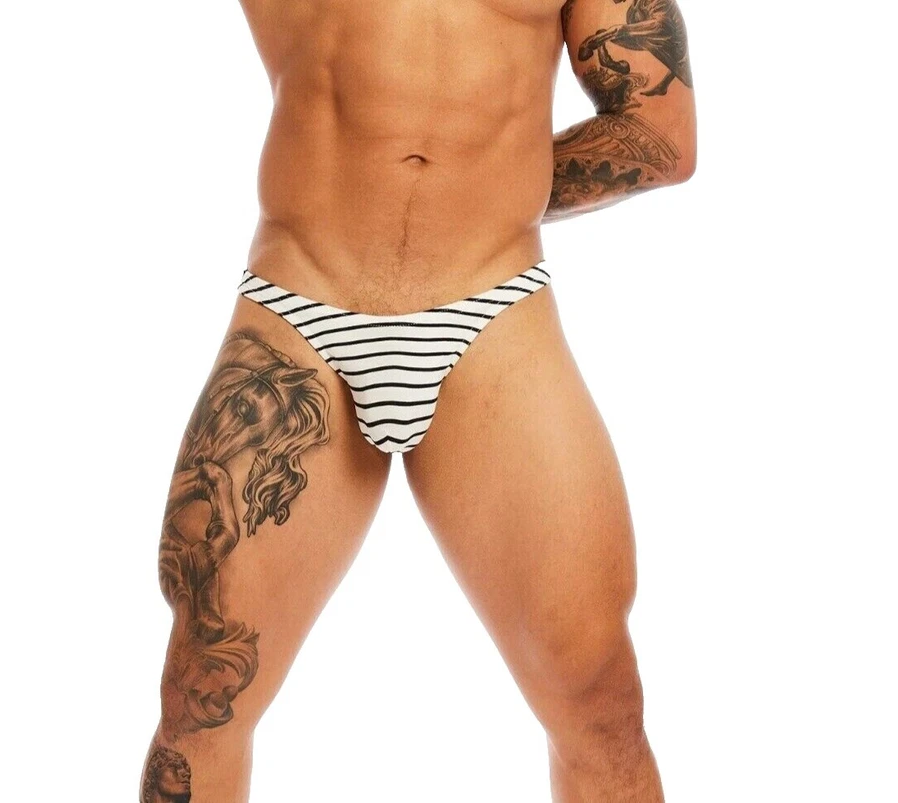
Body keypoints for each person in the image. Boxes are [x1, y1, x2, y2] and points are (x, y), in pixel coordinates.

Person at [140, 0, 696, 799]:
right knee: (199, 704)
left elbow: (658, 131)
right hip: (300, 311)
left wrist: (492, 184)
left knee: (598, 699)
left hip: (494, 313)